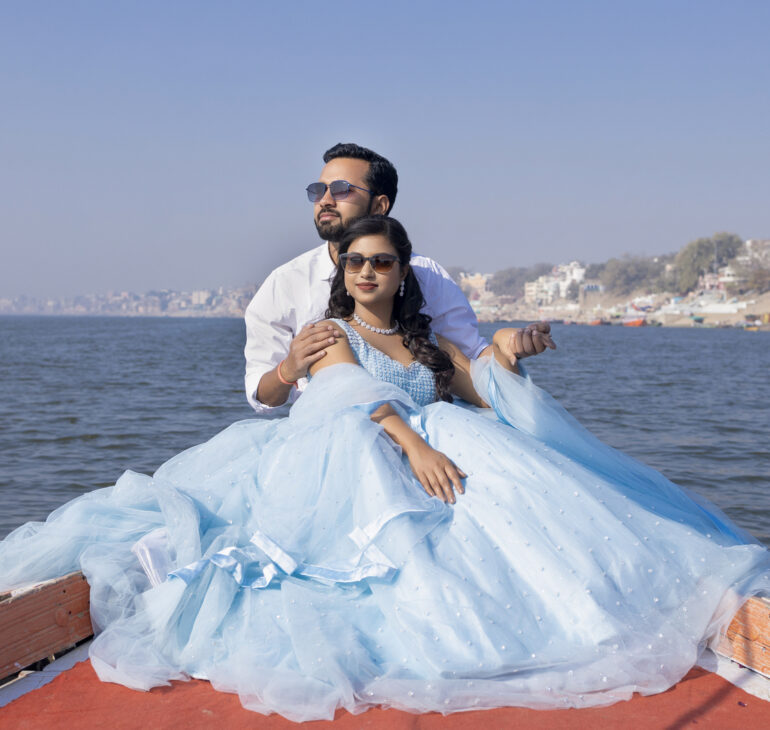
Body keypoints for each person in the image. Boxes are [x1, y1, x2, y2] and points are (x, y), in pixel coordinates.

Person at [1, 214, 768, 722]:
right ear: (346, 271)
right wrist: (416, 445)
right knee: (406, 511)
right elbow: (348, 394)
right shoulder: (328, 329)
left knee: (513, 490)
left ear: (403, 272)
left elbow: (476, 389)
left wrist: (505, 351)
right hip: (357, 451)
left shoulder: (425, 339)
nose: (367, 271)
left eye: (383, 262)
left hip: (430, 438)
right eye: (357, 261)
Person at [243, 141, 554, 415]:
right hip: (335, 442)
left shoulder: (428, 275)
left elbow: (473, 362)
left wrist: (510, 345)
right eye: (318, 190)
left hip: (437, 431)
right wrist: (288, 369)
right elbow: (262, 396)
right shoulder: (285, 283)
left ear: (380, 205)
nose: (325, 200)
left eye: (340, 190)